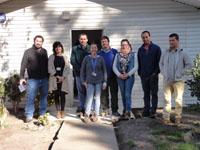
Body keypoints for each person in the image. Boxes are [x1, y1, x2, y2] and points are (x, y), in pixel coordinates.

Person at [159, 33, 191, 124]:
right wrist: (164, 73)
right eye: (170, 40)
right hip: (167, 80)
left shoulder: (183, 52)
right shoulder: (165, 52)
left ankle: (178, 118)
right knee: (166, 99)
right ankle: (166, 118)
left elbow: (189, 65)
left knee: (178, 99)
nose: (171, 42)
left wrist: (181, 73)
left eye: (173, 40)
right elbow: (160, 63)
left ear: (177, 41)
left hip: (178, 81)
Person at [20, 35, 48, 123]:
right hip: (32, 79)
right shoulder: (28, 52)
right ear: (34, 41)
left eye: (40, 41)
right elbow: (23, 65)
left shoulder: (44, 51)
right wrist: (21, 77)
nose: (38, 42)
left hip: (44, 79)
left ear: (42, 42)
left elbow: (47, 64)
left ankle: (42, 114)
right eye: (37, 41)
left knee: (44, 97)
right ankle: (29, 115)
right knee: (31, 97)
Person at [81, 43, 107, 123]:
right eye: (92, 48)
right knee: (89, 98)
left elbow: (104, 71)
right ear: (90, 49)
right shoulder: (86, 58)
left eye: (95, 48)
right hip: (89, 81)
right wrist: (83, 81)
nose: (93, 49)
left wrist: (105, 81)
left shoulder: (101, 58)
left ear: (97, 49)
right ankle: (87, 114)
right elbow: (82, 70)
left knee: (97, 98)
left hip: (99, 81)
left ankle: (96, 114)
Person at [138, 31, 161, 118]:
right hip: (144, 76)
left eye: (146, 37)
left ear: (150, 37)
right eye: (143, 37)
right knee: (146, 94)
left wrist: (155, 73)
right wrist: (140, 73)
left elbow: (159, 63)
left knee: (154, 94)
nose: (145, 39)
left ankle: (153, 111)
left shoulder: (156, 48)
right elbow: (139, 63)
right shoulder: (140, 50)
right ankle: (146, 110)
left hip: (153, 75)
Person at [113, 39, 138, 120]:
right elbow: (114, 67)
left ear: (129, 45)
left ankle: (128, 111)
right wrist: (119, 75)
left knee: (127, 94)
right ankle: (125, 111)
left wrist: (128, 74)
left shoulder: (134, 55)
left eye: (125, 44)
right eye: (122, 45)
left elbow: (136, 67)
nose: (124, 46)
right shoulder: (117, 55)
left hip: (129, 77)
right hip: (120, 77)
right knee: (123, 94)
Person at [98, 36, 120, 116]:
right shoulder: (99, 53)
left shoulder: (114, 52)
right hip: (103, 78)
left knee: (114, 94)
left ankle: (115, 110)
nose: (104, 43)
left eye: (105, 41)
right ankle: (105, 109)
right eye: (102, 42)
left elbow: (118, 63)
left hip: (113, 76)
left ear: (108, 42)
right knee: (104, 95)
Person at [48, 41, 70, 119]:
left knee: (63, 95)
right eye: (56, 47)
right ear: (54, 48)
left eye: (59, 47)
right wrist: (57, 76)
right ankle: (58, 111)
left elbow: (68, 68)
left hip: (63, 80)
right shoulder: (51, 57)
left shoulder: (65, 57)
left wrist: (62, 77)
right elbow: (50, 68)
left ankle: (62, 111)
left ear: (62, 48)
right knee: (56, 95)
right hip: (54, 79)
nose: (58, 48)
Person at [70, 33, 90, 115]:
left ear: (87, 40)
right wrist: (81, 70)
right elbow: (72, 61)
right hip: (78, 74)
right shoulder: (75, 49)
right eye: (81, 39)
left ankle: (88, 108)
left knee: (89, 91)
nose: (83, 40)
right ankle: (81, 107)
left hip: (89, 75)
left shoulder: (90, 48)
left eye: (84, 39)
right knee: (80, 91)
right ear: (79, 40)